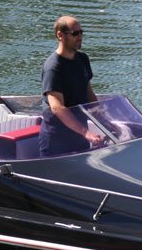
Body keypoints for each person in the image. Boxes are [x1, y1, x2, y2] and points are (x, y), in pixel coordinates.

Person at [39, 15, 104, 156]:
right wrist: (86, 133)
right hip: (57, 143)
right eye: (75, 33)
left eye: (81, 32)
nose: (80, 36)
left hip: (80, 138)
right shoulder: (53, 67)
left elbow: (89, 93)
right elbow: (57, 107)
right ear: (60, 35)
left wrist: (106, 123)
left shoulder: (82, 59)